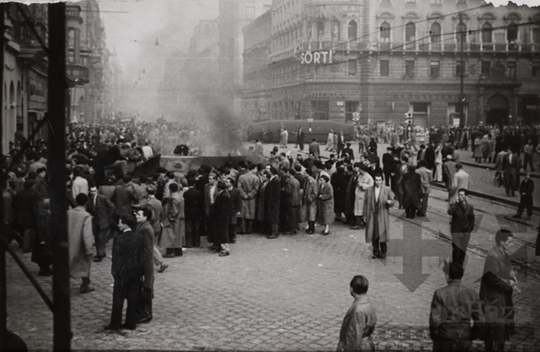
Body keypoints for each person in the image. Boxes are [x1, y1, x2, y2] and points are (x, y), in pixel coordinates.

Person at [429, 262, 483, 352]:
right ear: (461, 276)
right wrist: (472, 334)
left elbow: (435, 321)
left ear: (447, 276)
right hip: (464, 337)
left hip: (444, 337)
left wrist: (436, 336)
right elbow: (480, 320)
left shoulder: (439, 293)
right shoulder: (472, 294)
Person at [480, 229, 518, 352]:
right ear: (502, 242)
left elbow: (507, 270)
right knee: (494, 331)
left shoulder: (503, 254)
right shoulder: (493, 256)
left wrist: (512, 277)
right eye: (510, 242)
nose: (511, 244)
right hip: (492, 299)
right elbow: (491, 278)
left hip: (500, 297)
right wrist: (508, 284)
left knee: (499, 331)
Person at [104, 215, 145, 331]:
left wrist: (115, 272)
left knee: (118, 298)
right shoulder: (140, 238)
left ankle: (115, 323)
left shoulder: (118, 239)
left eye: (120, 223)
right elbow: (142, 257)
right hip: (135, 272)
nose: (118, 225)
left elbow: (116, 258)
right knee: (133, 298)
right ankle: (131, 322)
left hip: (122, 272)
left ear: (126, 224)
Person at [336, 275, 377, 352]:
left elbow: (354, 337)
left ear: (351, 289)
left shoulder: (358, 310)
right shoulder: (369, 303)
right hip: (367, 344)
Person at [68, 193, 95, 294]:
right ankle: (85, 285)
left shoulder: (68, 213)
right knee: (85, 264)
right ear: (86, 203)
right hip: (80, 244)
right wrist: (89, 249)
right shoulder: (86, 215)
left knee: (68, 264)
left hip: (69, 242)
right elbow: (87, 234)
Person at [364, 173, 394, 259]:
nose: (378, 182)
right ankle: (376, 251)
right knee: (373, 233)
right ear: (374, 180)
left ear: (382, 180)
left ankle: (383, 251)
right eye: (376, 180)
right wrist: (365, 215)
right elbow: (366, 203)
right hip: (372, 214)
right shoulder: (369, 190)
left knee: (382, 233)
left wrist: (390, 202)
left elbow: (392, 200)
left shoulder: (387, 189)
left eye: (379, 180)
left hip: (382, 214)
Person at [134, 207, 155, 324]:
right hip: (143, 262)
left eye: (139, 214)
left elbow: (147, 250)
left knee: (146, 288)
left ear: (145, 217)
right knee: (144, 287)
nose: (137, 216)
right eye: (137, 214)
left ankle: (146, 314)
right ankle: (143, 312)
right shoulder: (142, 226)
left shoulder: (146, 229)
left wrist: (143, 266)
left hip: (145, 263)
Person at [87, 184, 115, 262]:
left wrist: (107, 217)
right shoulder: (88, 199)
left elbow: (112, 207)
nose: (93, 193)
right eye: (91, 191)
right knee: (96, 237)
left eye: (94, 191)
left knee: (101, 238)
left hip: (103, 221)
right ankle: (101, 252)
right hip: (94, 221)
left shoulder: (103, 198)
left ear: (97, 191)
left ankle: (100, 254)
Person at [448, 189, 475, 267]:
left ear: (465, 196)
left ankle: (460, 265)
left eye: (462, 195)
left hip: (466, 232)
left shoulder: (470, 207)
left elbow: (472, 219)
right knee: (456, 249)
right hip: (456, 231)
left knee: (463, 250)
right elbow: (450, 212)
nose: (460, 197)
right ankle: (455, 265)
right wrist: (456, 203)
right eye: (459, 195)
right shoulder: (455, 205)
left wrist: (470, 229)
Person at [160, 183, 184, 257]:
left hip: (174, 219)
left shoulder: (173, 198)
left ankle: (170, 250)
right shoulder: (180, 196)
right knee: (178, 235)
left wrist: (170, 218)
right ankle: (178, 250)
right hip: (180, 217)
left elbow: (174, 210)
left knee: (169, 234)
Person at [237, 161, 260, 234]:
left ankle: (243, 229)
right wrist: (250, 195)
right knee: (251, 213)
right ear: (253, 169)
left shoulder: (241, 177)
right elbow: (256, 189)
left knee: (243, 214)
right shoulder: (256, 178)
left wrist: (244, 195)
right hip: (252, 199)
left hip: (243, 198)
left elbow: (239, 187)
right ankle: (249, 230)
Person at [183, 177, 203, 248]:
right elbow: (201, 204)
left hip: (188, 212)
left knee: (188, 228)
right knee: (197, 228)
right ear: (194, 184)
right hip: (197, 212)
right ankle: (196, 243)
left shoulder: (186, 193)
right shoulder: (198, 193)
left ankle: (189, 243)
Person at [213, 180, 231, 256]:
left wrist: (219, 216)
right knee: (221, 232)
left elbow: (223, 208)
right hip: (222, 217)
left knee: (223, 233)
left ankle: (225, 249)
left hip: (222, 218)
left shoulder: (223, 195)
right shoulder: (223, 194)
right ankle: (222, 247)